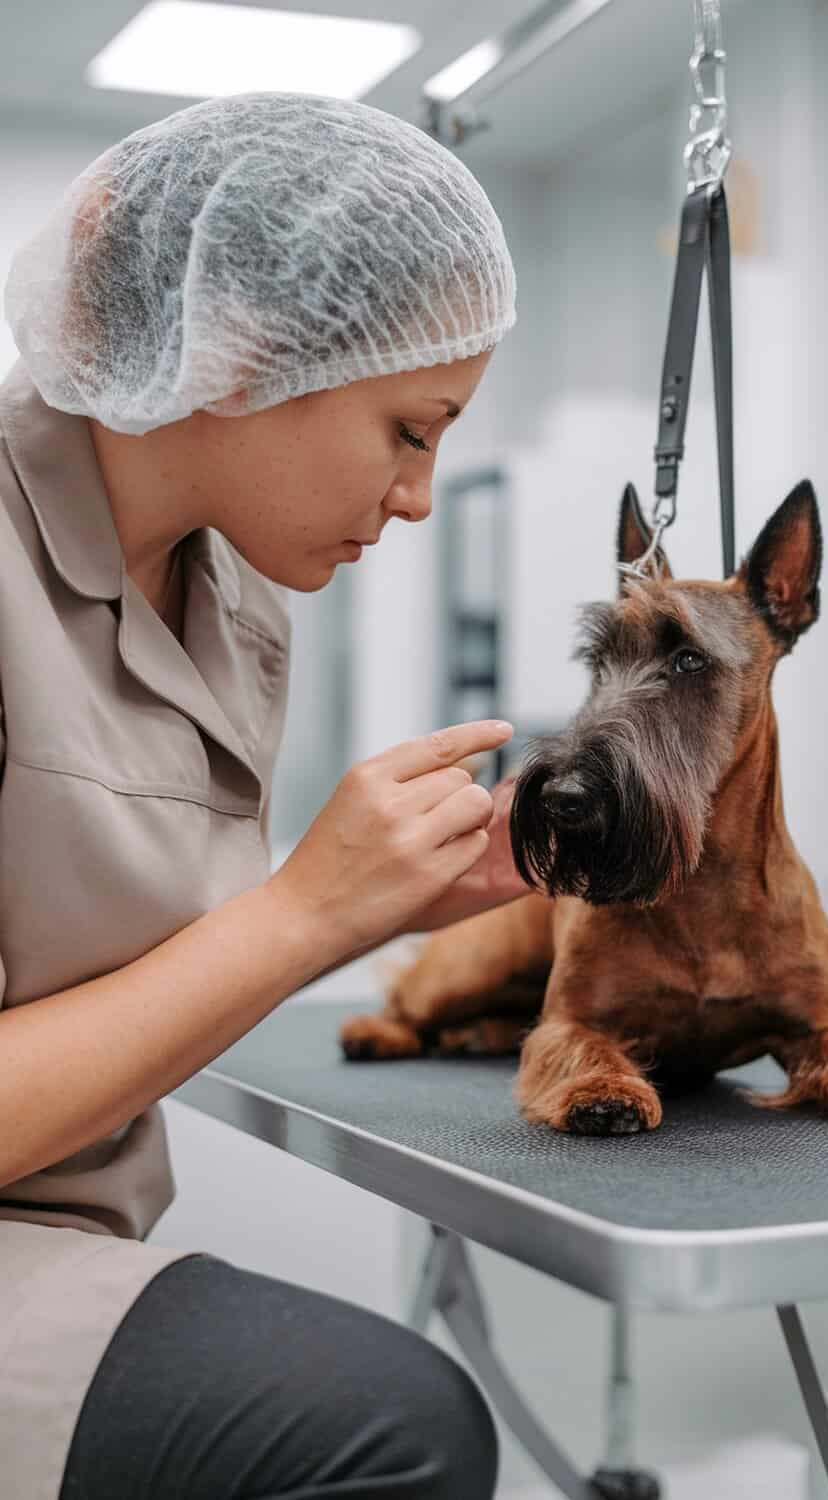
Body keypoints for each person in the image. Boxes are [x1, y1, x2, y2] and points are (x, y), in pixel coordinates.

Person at [0, 90, 531, 1500]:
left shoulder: (234, 599)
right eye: (409, 430)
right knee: (390, 1425)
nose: (420, 497)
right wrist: (306, 912)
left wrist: (375, 904)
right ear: (239, 353)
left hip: (70, 1221)